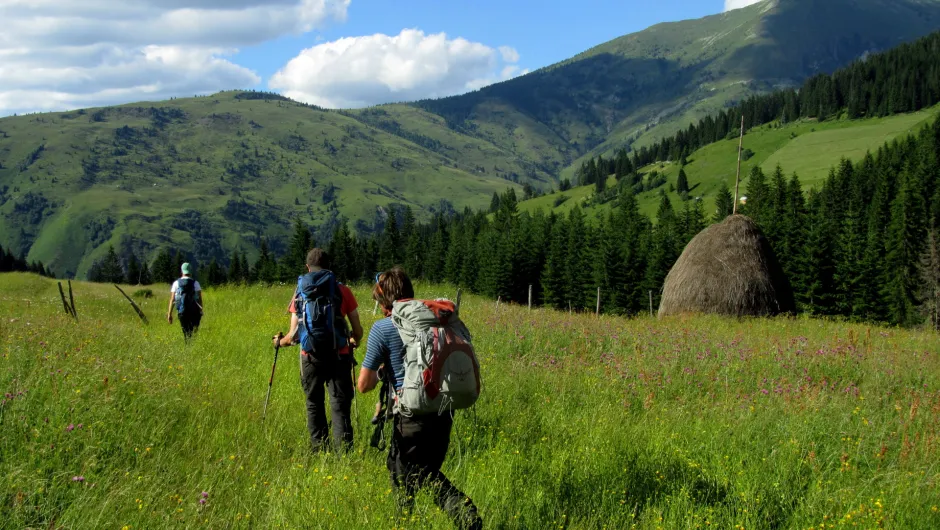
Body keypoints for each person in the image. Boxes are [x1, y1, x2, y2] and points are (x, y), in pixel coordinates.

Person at [358, 267, 482, 530]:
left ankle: (464, 515)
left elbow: (363, 385)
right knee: (426, 472)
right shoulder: (434, 322)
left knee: (406, 478)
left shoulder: (382, 328)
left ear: (384, 301)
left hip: (410, 417)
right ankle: (456, 516)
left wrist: (382, 375)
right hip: (443, 409)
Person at [273, 248, 363, 453]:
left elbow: (292, 335)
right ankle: (345, 456)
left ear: (307, 267)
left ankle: (319, 450)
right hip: (339, 355)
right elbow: (357, 329)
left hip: (310, 356)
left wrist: (279, 342)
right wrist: (353, 339)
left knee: (314, 403)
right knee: (340, 405)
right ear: (329, 266)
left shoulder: (300, 293)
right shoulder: (342, 291)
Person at [167, 262, 203, 339]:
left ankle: (188, 346)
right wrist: (200, 311)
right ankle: (192, 347)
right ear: (190, 271)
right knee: (193, 333)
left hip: (182, 311)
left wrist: (169, 314)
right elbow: (199, 299)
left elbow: (172, 299)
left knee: (186, 333)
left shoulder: (176, 283)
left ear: (182, 271)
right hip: (194, 312)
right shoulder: (196, 283)